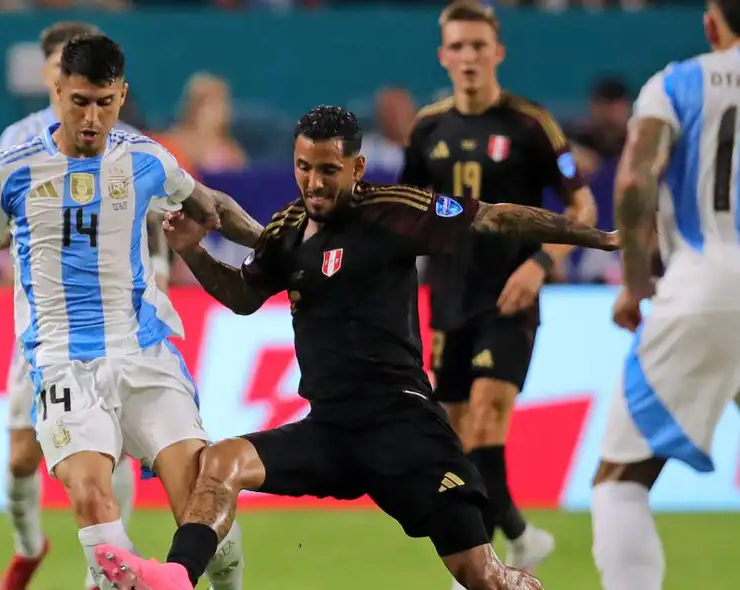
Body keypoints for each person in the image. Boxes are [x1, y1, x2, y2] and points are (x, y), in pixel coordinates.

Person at [92, 105, 618, 590]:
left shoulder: (396, 210)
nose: (313, 182)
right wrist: (193, 253)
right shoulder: (288, 228)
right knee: (222, 459)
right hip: (330, 430)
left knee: (482, 575)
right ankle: (177, 576)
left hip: (404, 429)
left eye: (328, 170)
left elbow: (494, 217)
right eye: (303, 167)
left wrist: (595, 237)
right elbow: (244, 297)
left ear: (357, 167)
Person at [0, 35, 261, 590]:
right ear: (57, 90)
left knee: (203, 506)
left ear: (122, 96)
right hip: (63, 364)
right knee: (92, 502)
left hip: (144, 354)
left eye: (105, 103)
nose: (92, 118)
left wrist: (282, 250)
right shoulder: (11, 171)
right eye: (80, 101)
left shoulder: (146, 160)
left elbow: (213, 208)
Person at [399, 4, 599, 580]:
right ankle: (518, 533)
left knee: (488, 419)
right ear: (443, 56)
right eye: (458, 47)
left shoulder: (531, 125)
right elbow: (405, 215)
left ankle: (479, 574)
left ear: (498, 53)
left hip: (511, 297)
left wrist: (540, 264)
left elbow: (583, 206)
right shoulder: (427, 129)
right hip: (447, 300)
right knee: (460, 440)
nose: (469, 57)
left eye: (478, 46)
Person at [0, 21, 161, 590]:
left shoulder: (125, 141)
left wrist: (157, 279)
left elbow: (155, 220)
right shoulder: (17, 141)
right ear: (52, 75)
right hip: (41, 327)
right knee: (22, 456)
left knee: (111, 451)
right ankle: (28, 546)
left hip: (114, 326)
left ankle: (102, 573)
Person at [591, 2, 740, 589]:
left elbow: (634, 179)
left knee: (621, 479)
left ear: (711, 24)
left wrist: (634, 285)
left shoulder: (677, 84)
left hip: (707, 286)